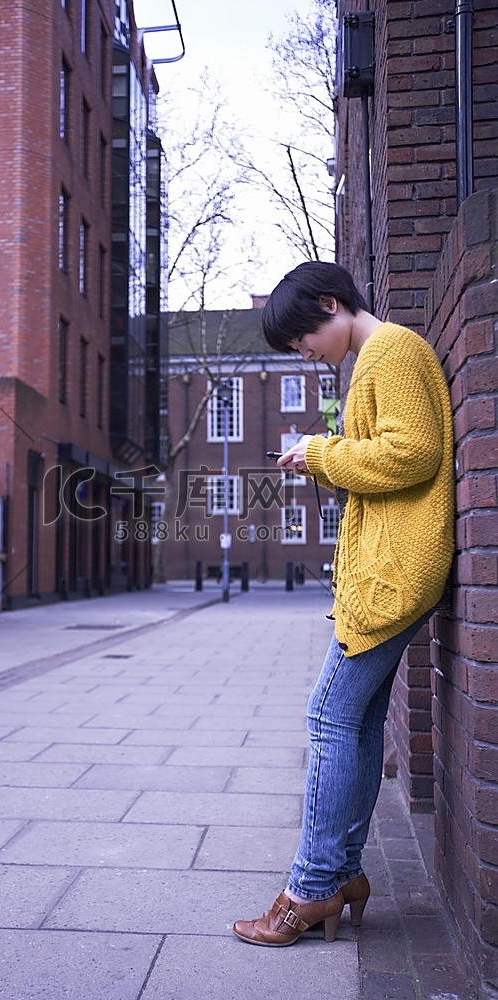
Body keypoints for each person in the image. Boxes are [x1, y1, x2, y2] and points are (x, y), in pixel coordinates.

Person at [233, 261, 455, 948]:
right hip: (393, 569)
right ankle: (344, 876)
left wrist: (322, 452)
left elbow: (413, 454)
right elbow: (392, 457)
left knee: (327, 716)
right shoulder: (376, 357)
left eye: (300, 338)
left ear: (329, 303)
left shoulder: (388, 350)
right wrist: (323, 457)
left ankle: (309, 888)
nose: (301, 351)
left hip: (394, 574)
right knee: (352, 724)